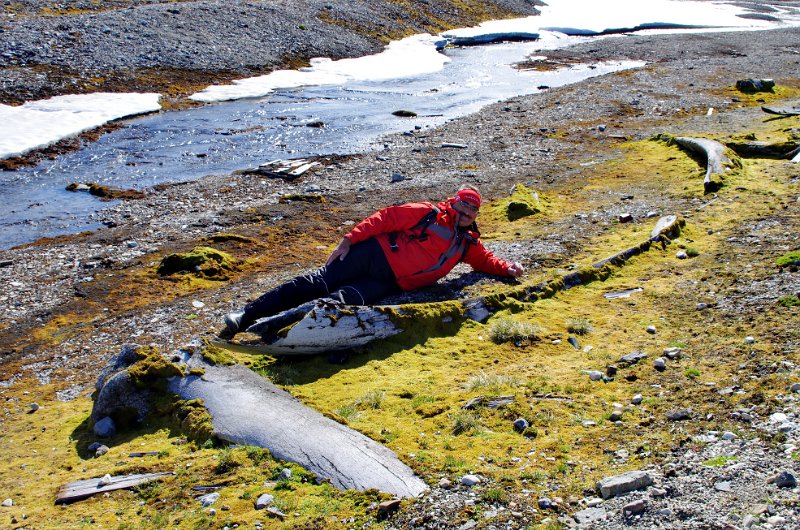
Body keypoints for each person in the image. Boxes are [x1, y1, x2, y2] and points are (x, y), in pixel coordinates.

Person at [220, 185, 524, 338]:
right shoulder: (427, 212)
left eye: (472, 213)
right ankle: (245, 316)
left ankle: (273, 330)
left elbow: (484, 259)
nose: (466, 215)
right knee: (315, 283)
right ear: (454, 203)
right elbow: (385, 218)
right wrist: (349, 240)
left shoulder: (466, 243)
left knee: (337, 302)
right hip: (371, 254)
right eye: (463, 208)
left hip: (388, 282)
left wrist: (506, 268)